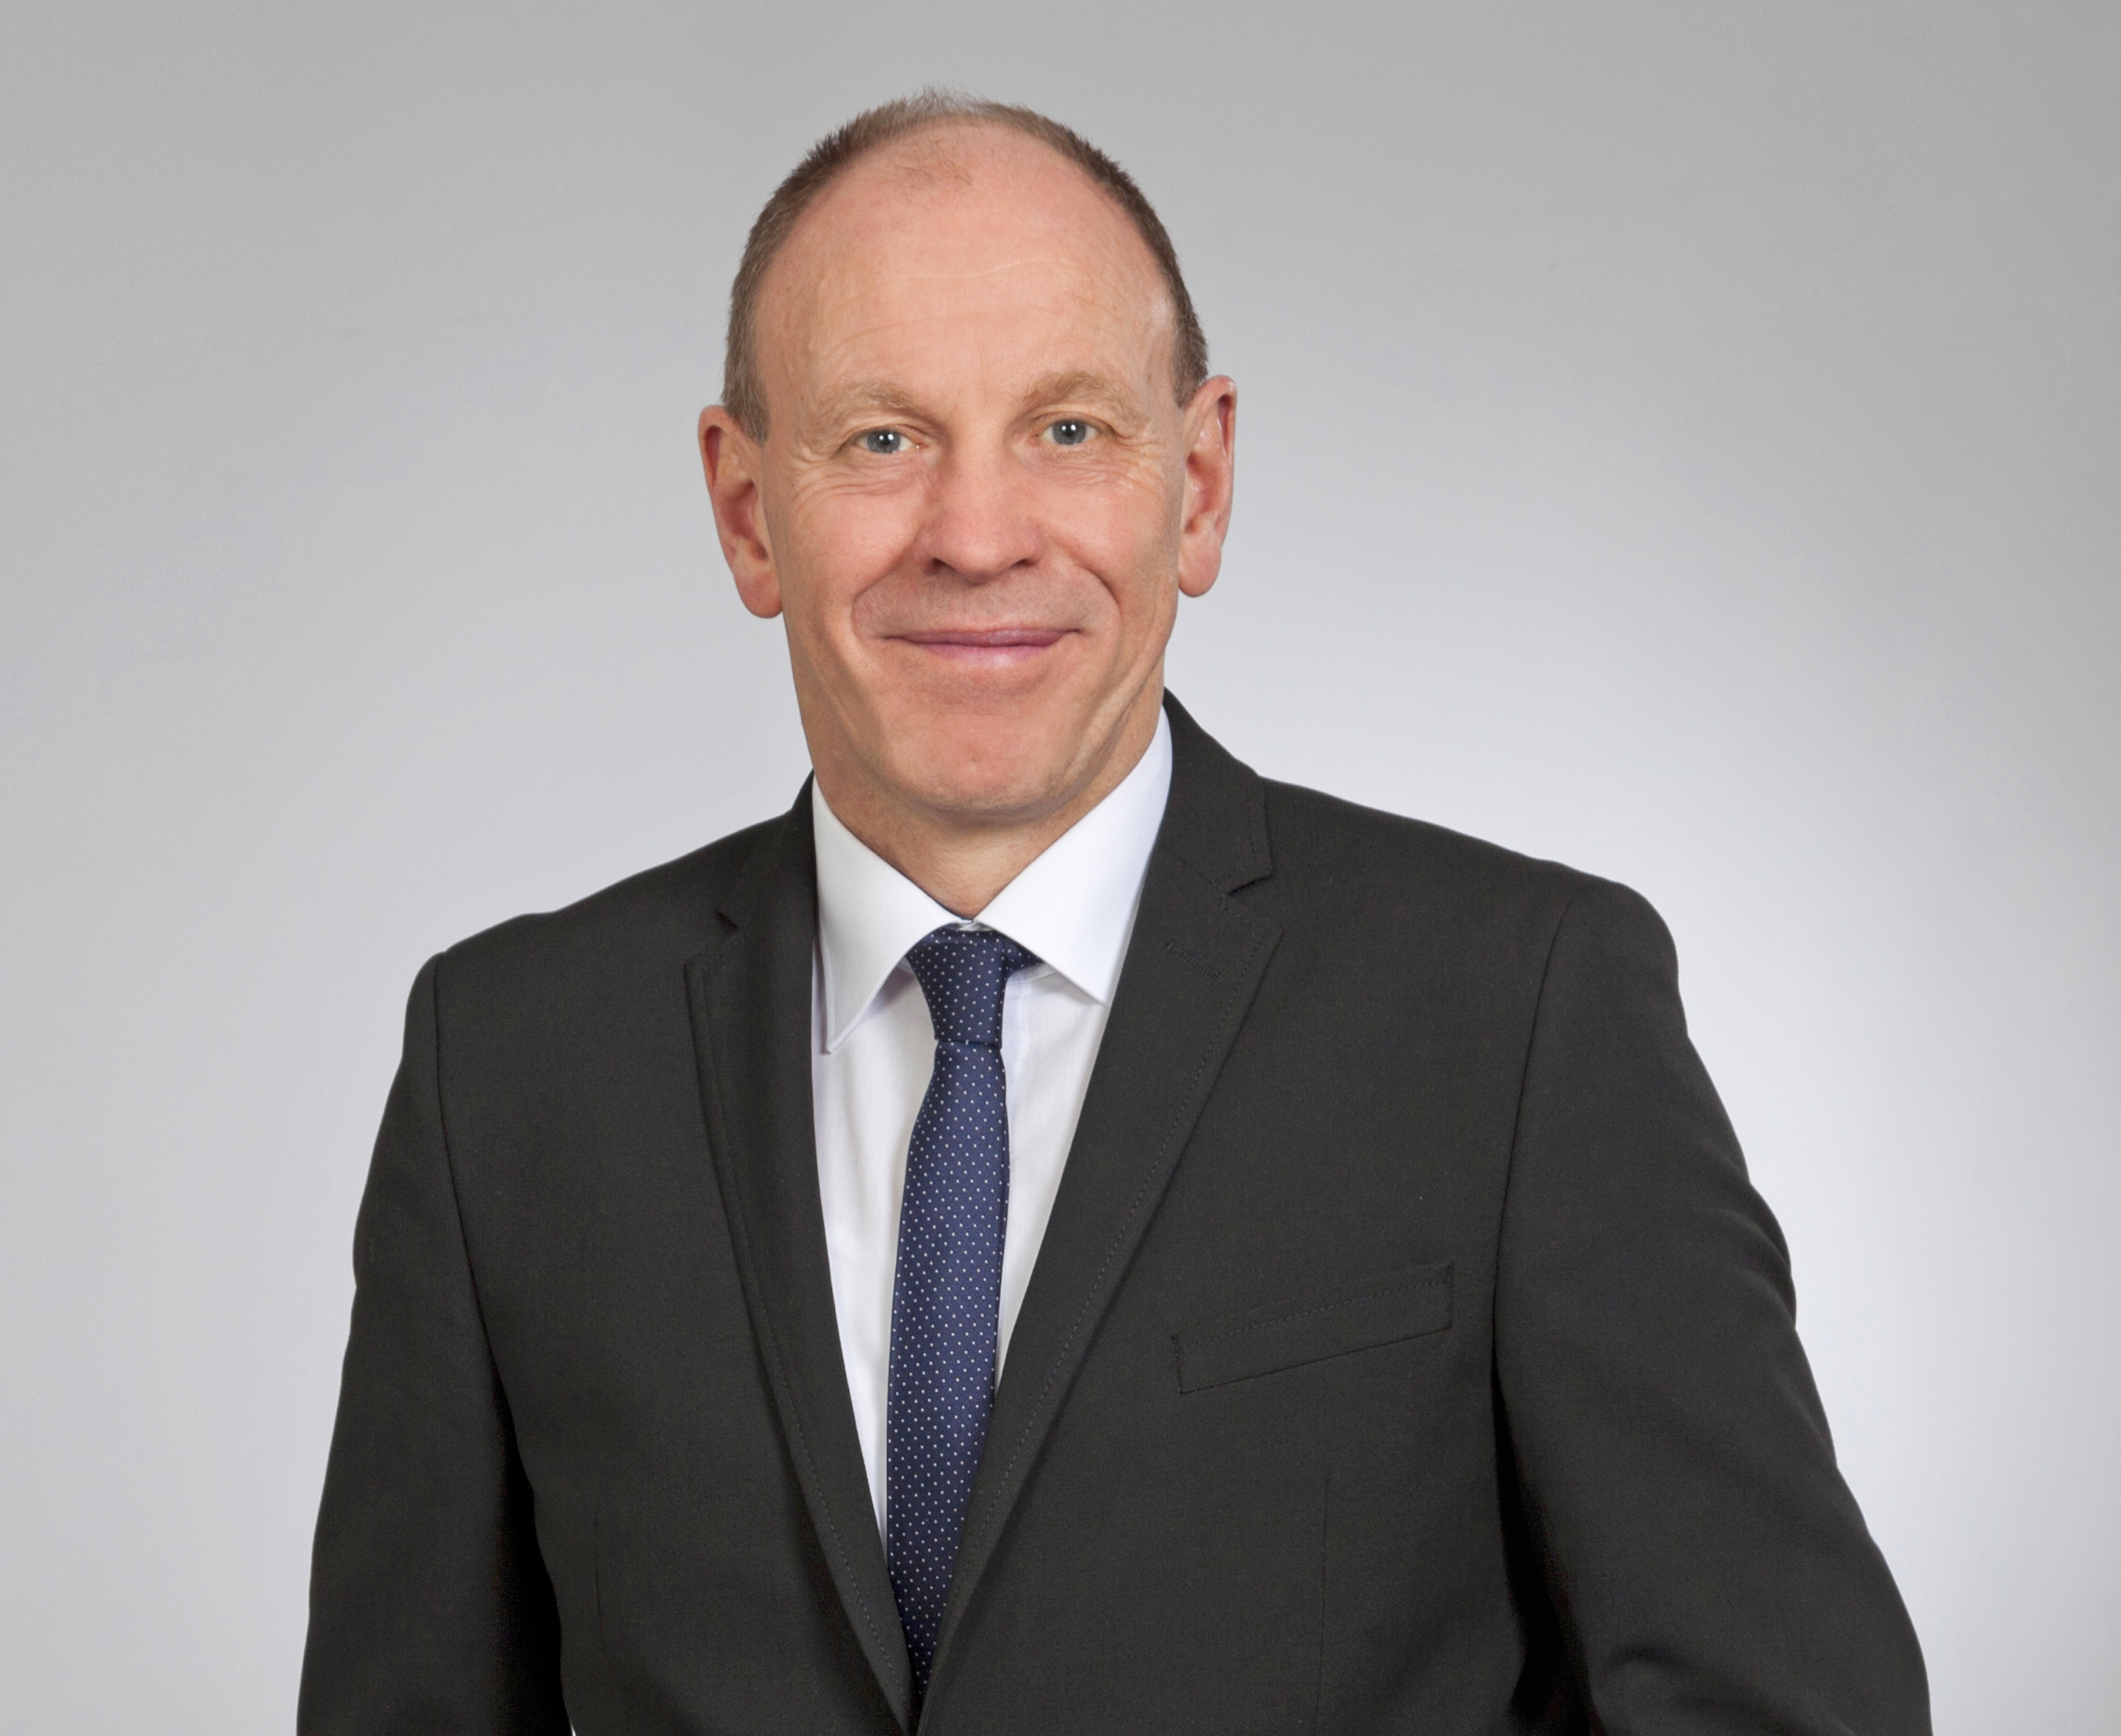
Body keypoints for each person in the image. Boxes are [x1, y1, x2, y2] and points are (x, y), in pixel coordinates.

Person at [299, 93, 1927, 1735]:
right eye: (882, 438)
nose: (976, 536)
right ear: (744, 508)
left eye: (1067, 430)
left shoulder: (1518, 1013)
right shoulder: (505, 1072)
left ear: (1197, 483)